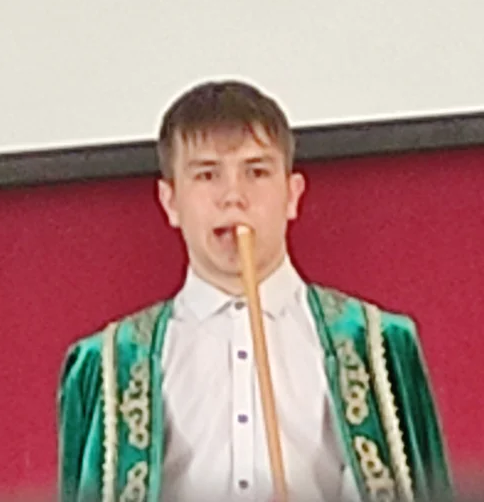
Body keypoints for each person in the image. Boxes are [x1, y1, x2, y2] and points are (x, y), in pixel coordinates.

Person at [57, 81, 452, 502]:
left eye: (256, 172)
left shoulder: (377, 345)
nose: (233, 197)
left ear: (292, 195)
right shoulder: (109, 364)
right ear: (170, 201)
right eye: (207, 174)